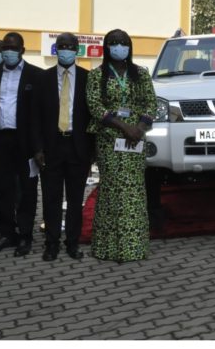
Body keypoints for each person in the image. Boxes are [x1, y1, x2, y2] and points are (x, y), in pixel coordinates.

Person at [85, 29, 157, 262]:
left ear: (130, 46)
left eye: (123, 42)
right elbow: (94, 106)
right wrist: (124, 127)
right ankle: (108, 247)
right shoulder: (97, 75)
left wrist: (138, 128)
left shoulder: (141, 74)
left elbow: (151, 103)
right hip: (110, 141)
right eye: (114, 43)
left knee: (134, 190)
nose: (119, 46)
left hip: (136, 140)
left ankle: (134, 247)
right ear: (106, 47)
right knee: (112, 190)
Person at [33, 33, 94, 261]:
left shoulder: (89, 79)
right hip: (51, 146)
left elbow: (92, 118)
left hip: (78, 147)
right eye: (62, 46)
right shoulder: (43, 79)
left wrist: (92, 153)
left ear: (77, 50)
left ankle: (72, 243)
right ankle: (51, 243)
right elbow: (35, 117)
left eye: (70, 46)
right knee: (51, 198)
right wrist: (37, 148)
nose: (66, 50)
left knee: (76, 199)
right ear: (55, 49)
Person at [0, 32, 43, 257]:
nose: (8, 51)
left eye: (13, 47)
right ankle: (7, 233)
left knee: (27, 190)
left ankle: (25, 235)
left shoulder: (35, 75)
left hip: (25, 143)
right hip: (1, 141)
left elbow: (39, 115)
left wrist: (39, 148)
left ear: (22, 50)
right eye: (5, 47)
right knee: (4, 190)